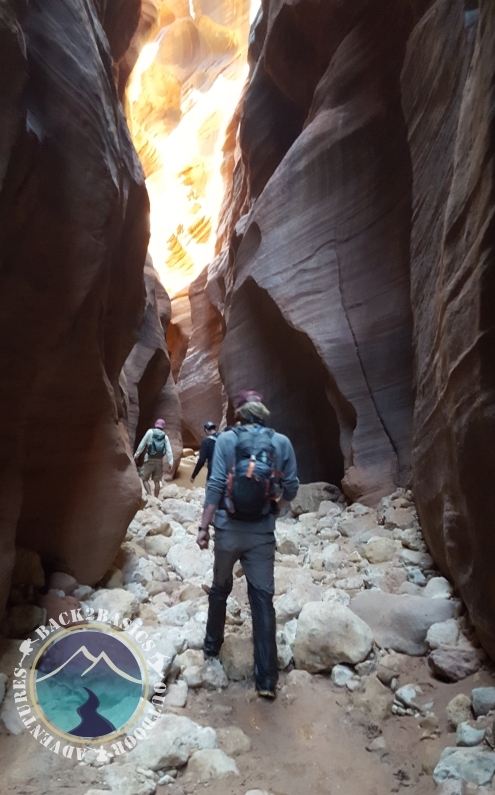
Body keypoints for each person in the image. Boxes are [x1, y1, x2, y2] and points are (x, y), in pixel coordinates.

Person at [196, 390, 299, 699]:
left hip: (227, 529)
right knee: (262, 598)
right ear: (263, 412)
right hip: (261, 533)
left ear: (238, 413)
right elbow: (292, 487)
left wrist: (203, 527)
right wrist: (275, 505)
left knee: (220, 587)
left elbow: (216, 484)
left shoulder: (226, 440)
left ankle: (212, 648)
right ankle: (266, 680)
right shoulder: (281, 442)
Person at [134, 419, 173, 498]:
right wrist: (170, 462)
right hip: (159, 461)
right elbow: (169, 450)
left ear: (155, 424)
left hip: (149, 459)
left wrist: (136, 456)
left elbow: (142, 444)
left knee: (144, 479)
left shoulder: (150, 432)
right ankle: (156, 498)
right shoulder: (165, 436)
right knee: (157, 481)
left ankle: (149, 495)